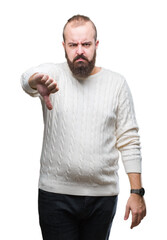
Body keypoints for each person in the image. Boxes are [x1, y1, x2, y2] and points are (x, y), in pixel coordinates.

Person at [21, 15, 146, 240]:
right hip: (55, 195)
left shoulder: (116, 83)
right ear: (64, 47)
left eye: (86, 44)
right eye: (73, 45)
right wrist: (33, 82)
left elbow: (129, 139)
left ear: (96, 45)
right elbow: (26, 79)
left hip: (102, 197)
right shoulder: (52, 75)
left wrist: (136, 192)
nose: (80, 50)